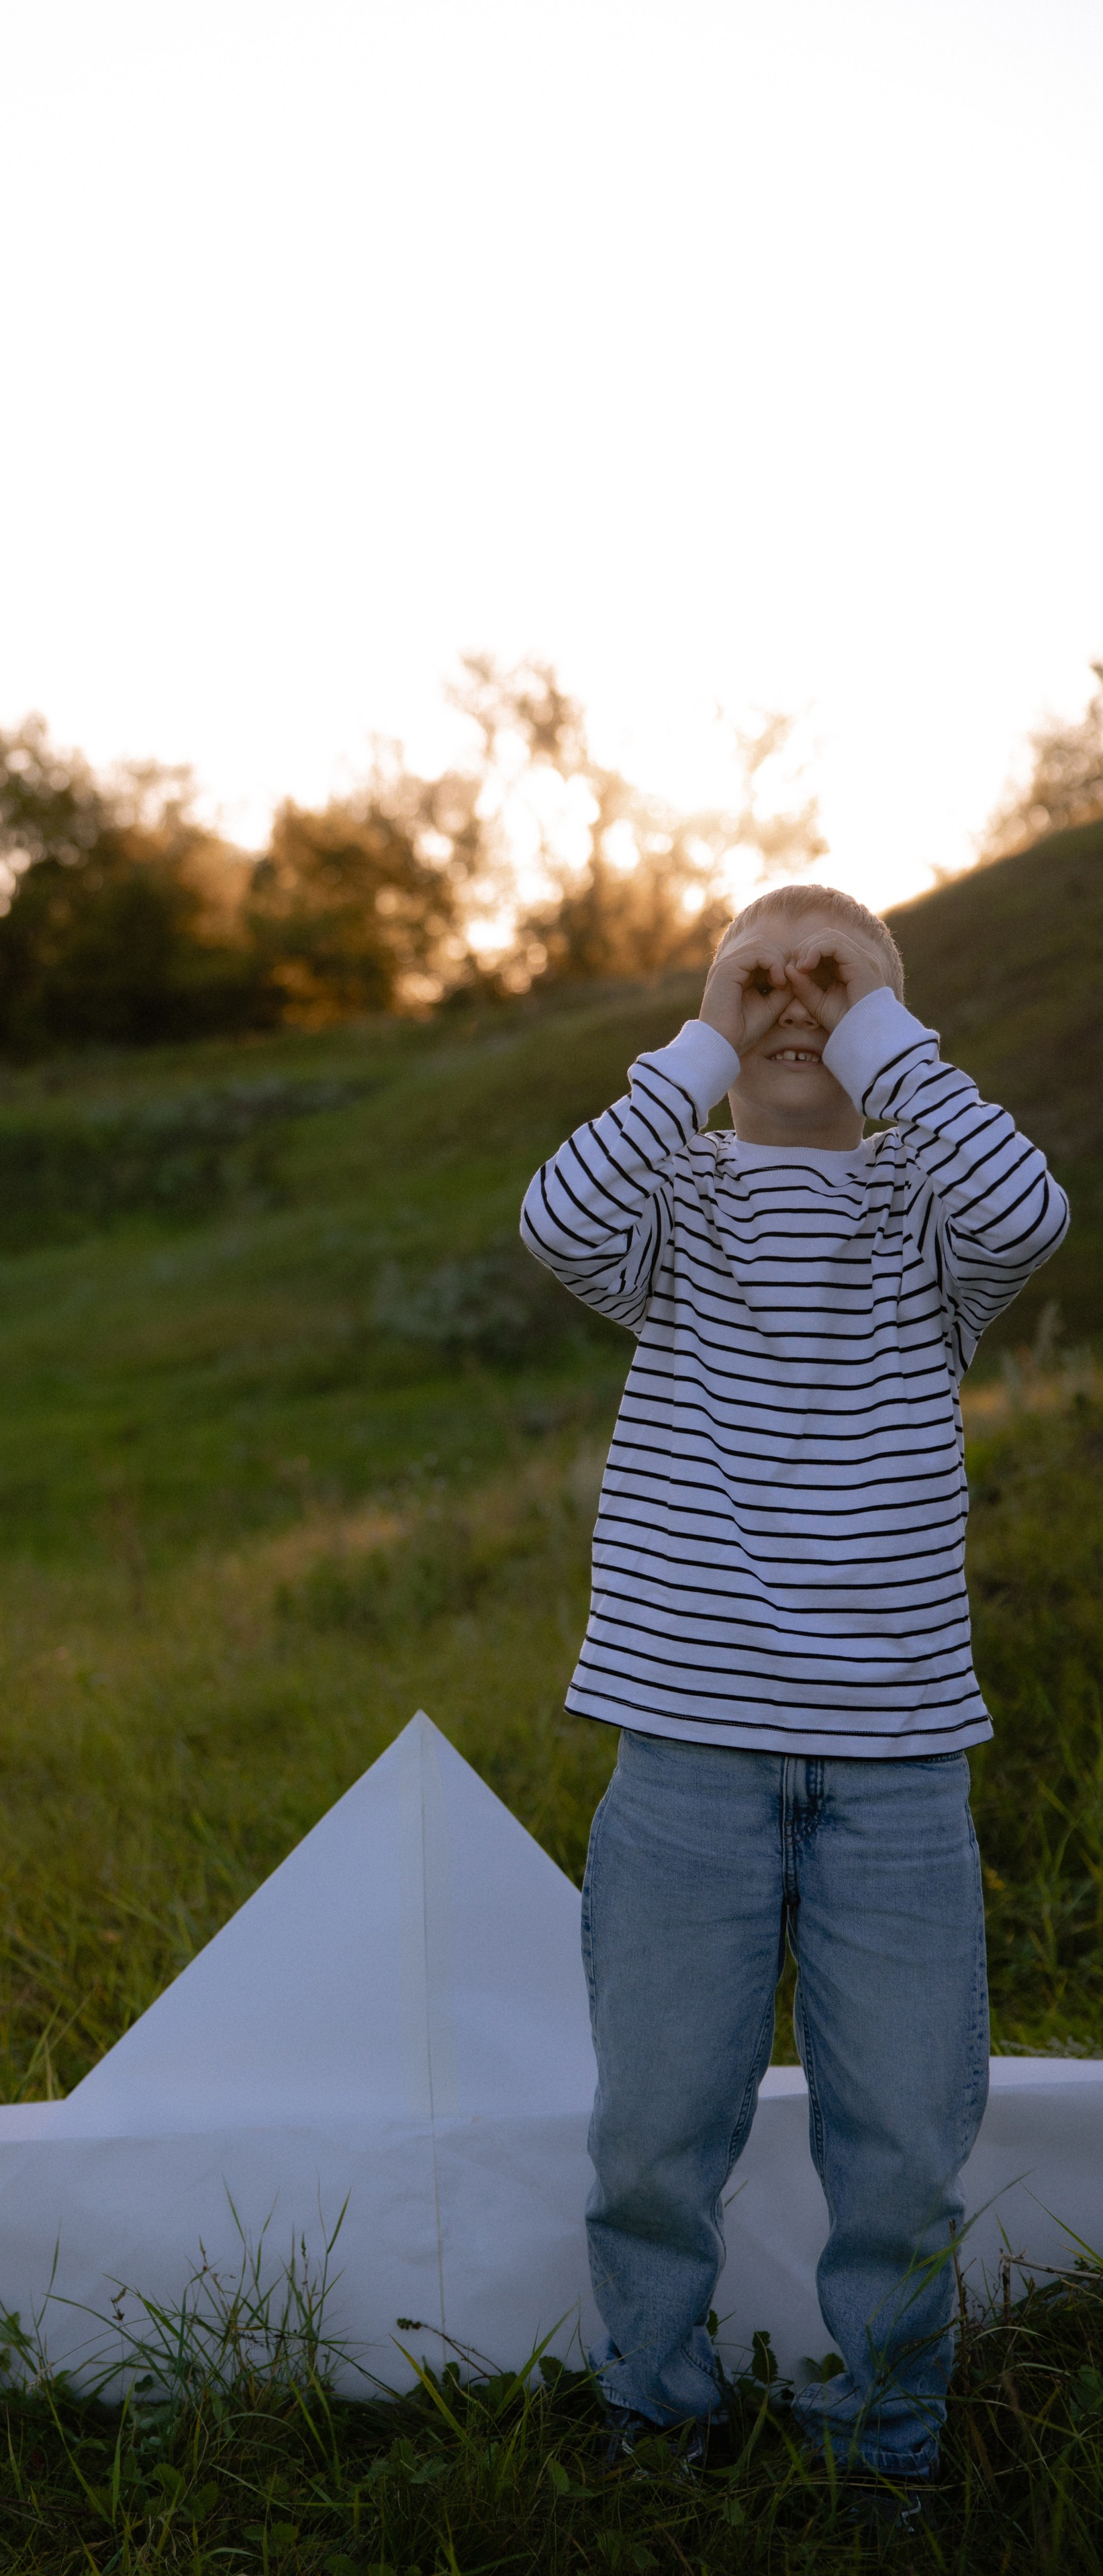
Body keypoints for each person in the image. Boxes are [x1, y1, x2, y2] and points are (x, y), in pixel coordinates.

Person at [519, 885, 1068, 2489]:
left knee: (898, 2151)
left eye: (829, 982)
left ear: (893, 1028)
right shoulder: (672, 1198)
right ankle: (649, 2414)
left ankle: (883, 2440)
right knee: (651, 2140)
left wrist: (870, 1015)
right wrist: (701, 1030)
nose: (790, 1000)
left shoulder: (923, 1212)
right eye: (757, 977)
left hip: (896, 1768)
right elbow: (557, 1222)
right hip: (685, 1749)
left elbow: (1027, 1211)